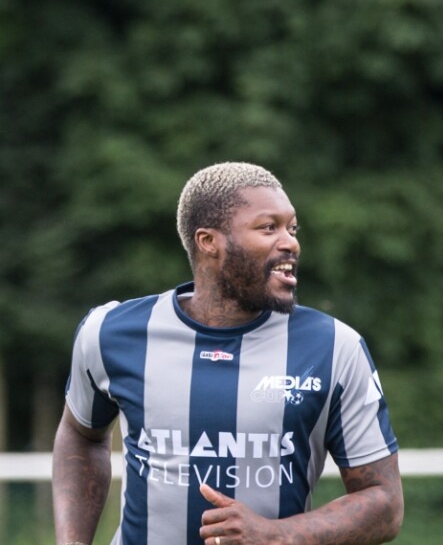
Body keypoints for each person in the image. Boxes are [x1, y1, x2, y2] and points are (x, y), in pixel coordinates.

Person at [52, 161, 404, 545]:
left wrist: (276, 535)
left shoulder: (335, 347)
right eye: (269, 228)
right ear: (209, 242)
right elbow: (80, 434)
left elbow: (385, 504)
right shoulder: (110, 333)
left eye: (292, 227)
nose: (290, 242)